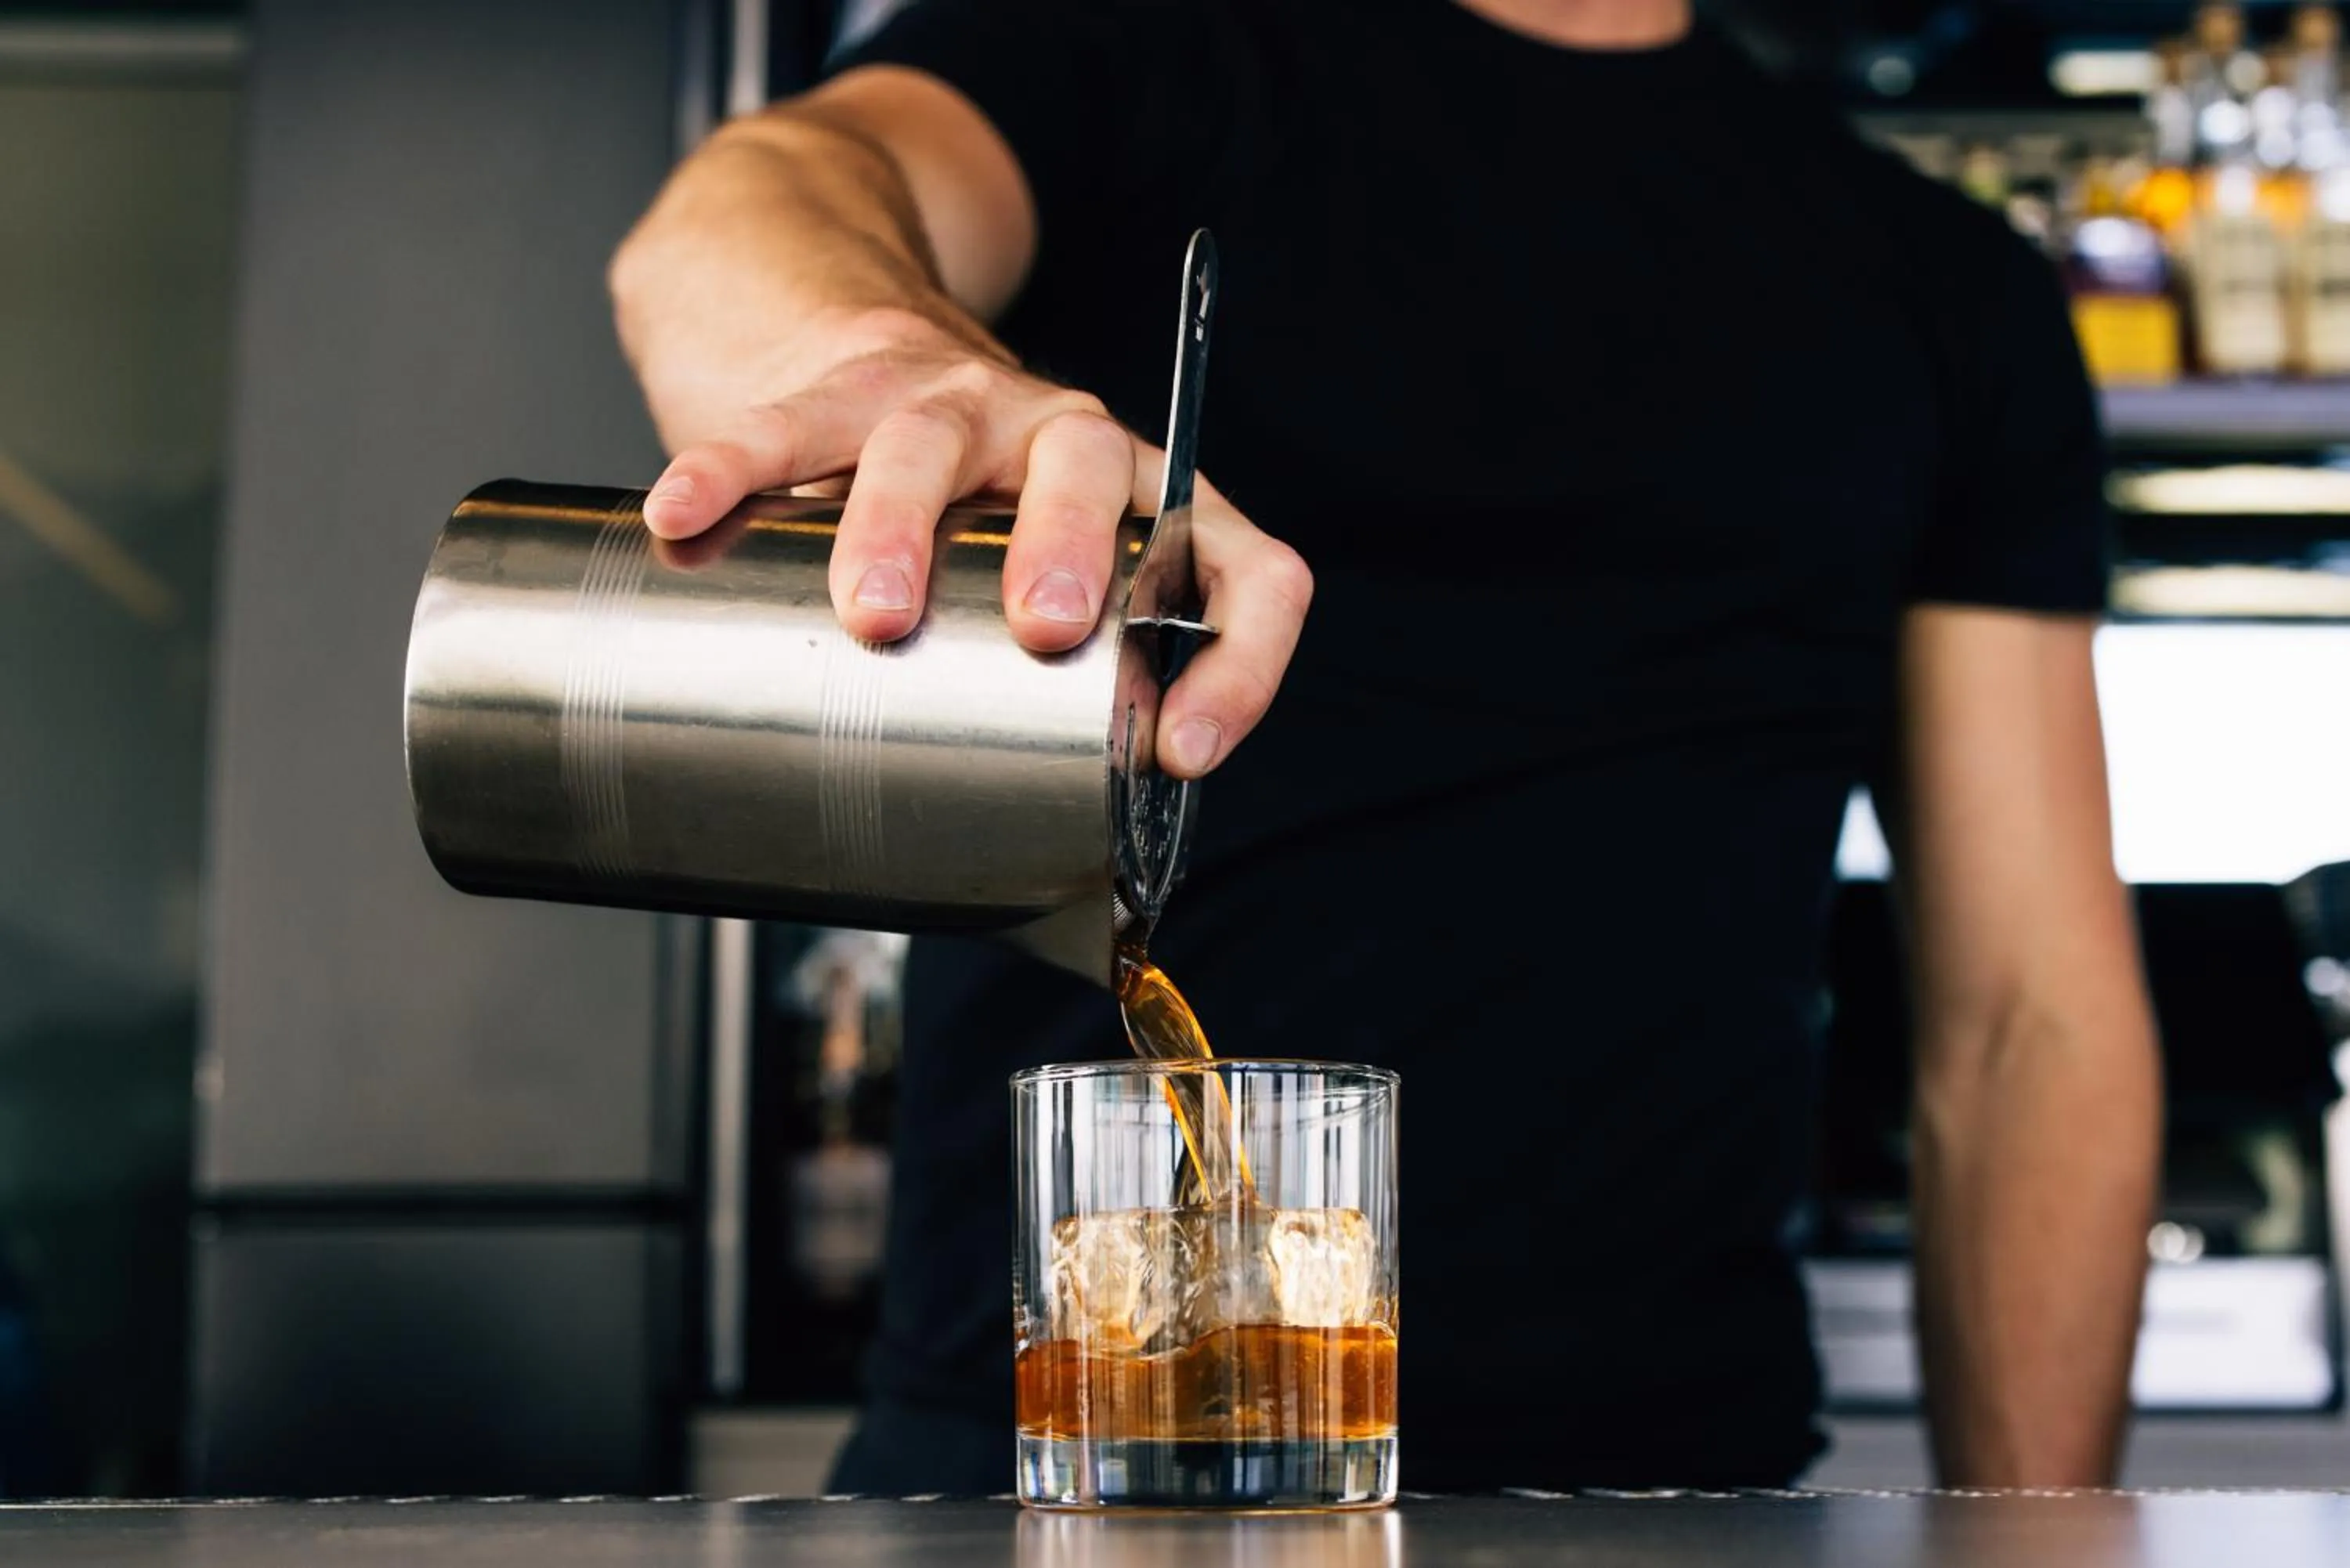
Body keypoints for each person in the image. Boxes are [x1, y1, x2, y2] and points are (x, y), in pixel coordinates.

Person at [609, 0, 2162, 1491]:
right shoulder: (1118, 58)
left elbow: (2030, 1023)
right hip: (1053, 1463)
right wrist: (892, 358)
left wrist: (2041, 1545)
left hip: (1668, 1491)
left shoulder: (1942, 282)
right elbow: (745, 209)